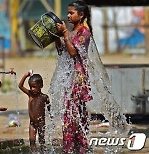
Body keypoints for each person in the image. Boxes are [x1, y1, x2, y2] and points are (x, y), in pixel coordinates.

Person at [49, 1, 129, 153]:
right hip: (69, 77)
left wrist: (65, 33)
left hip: (78, 79)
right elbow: (63, 52)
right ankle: (79, 146)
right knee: (74, 112)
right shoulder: (73, 31)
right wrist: (57, 38)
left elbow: (73, 53)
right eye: (68, 12)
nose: (68, 15)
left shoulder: (84, 32)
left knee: (72, 113)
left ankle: (73, 146)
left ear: (81, 15)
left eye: (71, 13)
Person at [18, 72, 51, 152]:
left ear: (41, 86)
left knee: (41, 141)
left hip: (41, 123)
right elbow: (20, 86)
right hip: (32, 123)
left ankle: (43, 152)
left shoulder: (44, 97)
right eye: (30, 87)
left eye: (34, 87)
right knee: (32, 141)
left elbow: (49, 108)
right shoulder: (30, 94)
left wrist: (51, 116)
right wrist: (25, 75)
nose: (32, 89)